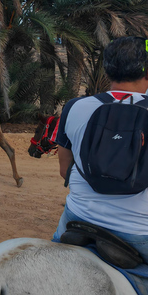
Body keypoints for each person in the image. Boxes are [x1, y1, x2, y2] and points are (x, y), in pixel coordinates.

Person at [54, 36, 148, 268]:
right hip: (138, 229)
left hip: (78, 218)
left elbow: (65, 169)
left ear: (107, 71)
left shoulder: (74, 107)